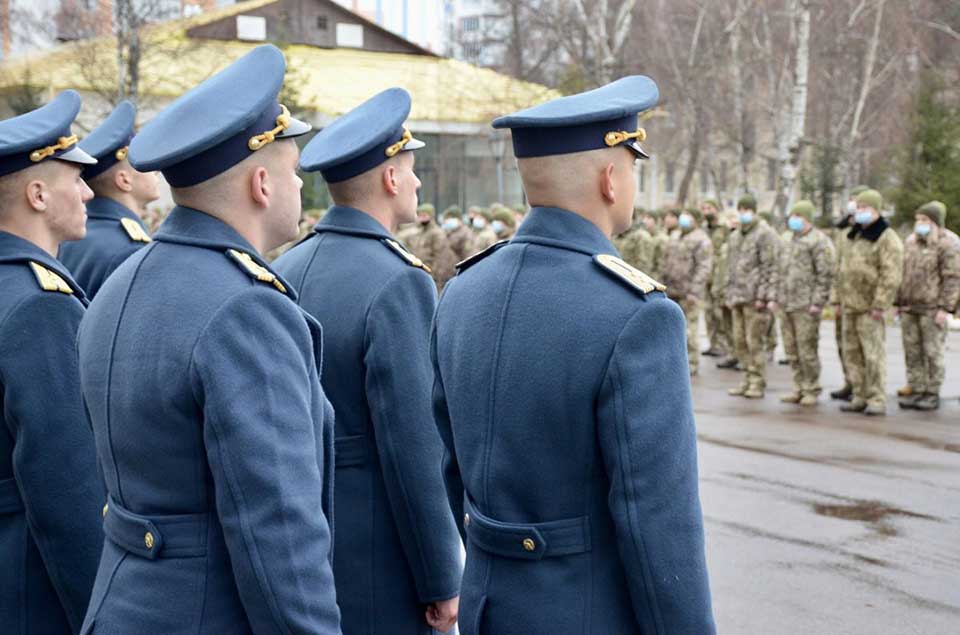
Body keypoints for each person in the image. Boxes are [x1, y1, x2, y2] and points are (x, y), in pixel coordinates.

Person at [432, 76, 714, 634]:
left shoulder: (462, 290)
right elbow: (658, 523)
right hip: (586, 614)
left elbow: (452, 467)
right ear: (611, 177)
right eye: (633, 163)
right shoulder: (638, 315)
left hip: (490, 603)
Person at [76, 45, 341, 633]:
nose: (302, 185)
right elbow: (280, 533)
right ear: (262, 183)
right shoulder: (247, 308)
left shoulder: (124, 280)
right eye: (294, 170)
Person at [273, 87, 462, 634]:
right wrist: (441, 575)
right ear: (388, 178)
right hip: (379, 546)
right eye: (411, 167)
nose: (418, 181)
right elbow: (412, 443)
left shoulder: (288, 263)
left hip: (306, 535)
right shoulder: (399, 280)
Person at [0, 89, 105, 635]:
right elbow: (66, 491)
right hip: (28, 594)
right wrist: (102, 615)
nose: (89, 191)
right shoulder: (41, 305)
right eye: (75, 177)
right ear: (38, 194)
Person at [59, 100, 159, 298]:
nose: (155, 171)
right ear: (124, 181)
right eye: (142, 163)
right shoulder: (129, 250)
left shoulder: (74, 234)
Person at [836, 189, 903, 416]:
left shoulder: (886, 237)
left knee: (872, 355)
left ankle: (876, 397)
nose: (860, 211)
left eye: (865, 208)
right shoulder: (853, 235)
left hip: (869, 308)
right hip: (850, 305)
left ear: (876, 210)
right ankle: (859, 394)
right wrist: (838, 299)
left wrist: (880, 304)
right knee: (852, 353)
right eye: (859, 207)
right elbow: (843, 270)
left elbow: (890, 275)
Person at [895, 201, 960, 411]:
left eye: (924, 220)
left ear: (936, 222)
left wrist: (945, 308)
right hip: (910, 306)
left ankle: (932, 392)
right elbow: (902, 273)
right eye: (918, 220)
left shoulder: (948, 243)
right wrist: (898, 301)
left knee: (933, 351)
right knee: (912, 350)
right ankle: (917, 387)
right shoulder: (911, 242)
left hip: (932, 308)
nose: (920, 224)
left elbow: (952, 278)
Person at [778, 201, 835, 406]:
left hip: (806, 305)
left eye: (798, 216)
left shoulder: (819, 241)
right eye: (792, 215)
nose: (793, 219)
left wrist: (818, 302)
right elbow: (779, 270)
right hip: (787, 303)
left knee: (807, 350)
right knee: (791, 350)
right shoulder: (786, 239)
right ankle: (798, 387)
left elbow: (825, 274)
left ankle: (811, 387)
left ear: (808, 218)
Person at [725, 195, 779, 398]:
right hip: (738, 297)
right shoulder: (736, 235)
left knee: (754, 342)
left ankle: (757, 382)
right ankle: (746, 379)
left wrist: (765, 296)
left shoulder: (765, 234)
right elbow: (730, 267)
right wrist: (728, 294)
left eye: (747, 209)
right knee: (740, 342)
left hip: (756, 298)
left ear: (754, 211)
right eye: (741, 209)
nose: (743, 213)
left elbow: (770, 267)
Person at [661, 207, 713, 375]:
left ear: (696, 220)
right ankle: (673, 363)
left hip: (688, 293)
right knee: (671, 330)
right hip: (671, 291)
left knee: (689, 331)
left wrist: (695, 291)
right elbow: (666, 262)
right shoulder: (675, 236)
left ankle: (691, 364)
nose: (684, 218)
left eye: (688, 215)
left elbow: (704, 267)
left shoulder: (702, 240)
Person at [830, 185, 868, 400]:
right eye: (852, 200)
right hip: (843, 297)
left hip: (860, 300)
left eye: (858, 201)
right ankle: (850, 381)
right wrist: (835, 298)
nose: (853, 204)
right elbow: (838, 267)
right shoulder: (844, 232)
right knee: (843, 344)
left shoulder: (869, 232)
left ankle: (864, 387)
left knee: (862, 348)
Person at [701, 199, 729, 357]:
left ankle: (724, 345)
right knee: (709, 312)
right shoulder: (704, 229)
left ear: (716, 209)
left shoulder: (724, 228)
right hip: (707, 275)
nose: (706, 211)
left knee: (720, 313)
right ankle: (713, 344)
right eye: (704, 208)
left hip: (720, 275)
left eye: (709, 208)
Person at [410, 202, 457, 290]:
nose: (422, 218)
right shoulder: (420, 232)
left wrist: (434, 276)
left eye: (425, 215)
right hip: (420, 275)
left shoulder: (437, 233)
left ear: (431, 216)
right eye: (420, 215)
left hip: (432, 277)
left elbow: (441, 257)